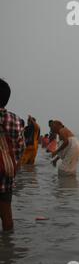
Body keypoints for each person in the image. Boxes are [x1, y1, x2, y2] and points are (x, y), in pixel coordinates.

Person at [0, 79, 25, 231]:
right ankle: (9, 249)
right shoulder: (15, 120)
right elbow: (20, 148)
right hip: (6, 176)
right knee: (7, 216)